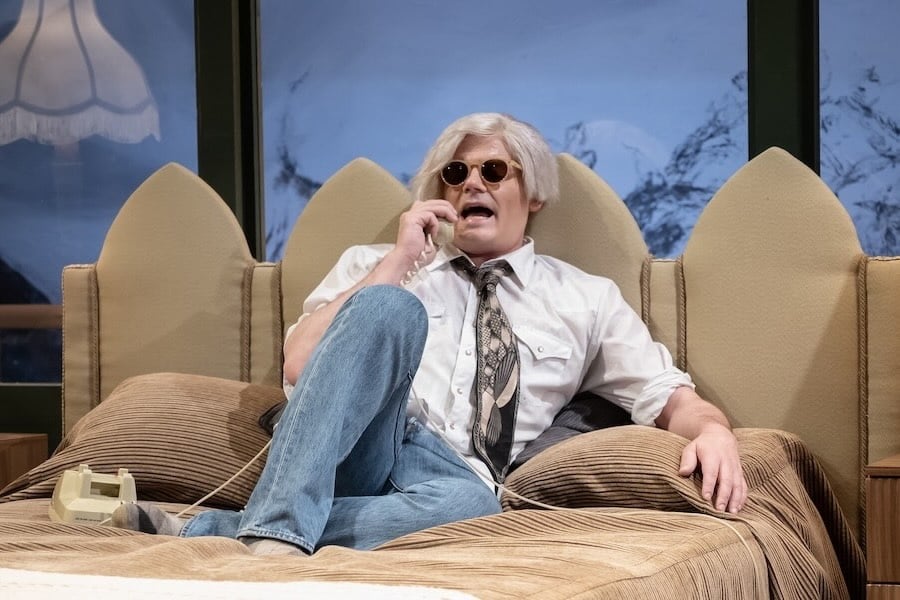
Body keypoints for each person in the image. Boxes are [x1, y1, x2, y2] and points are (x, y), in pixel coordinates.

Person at [112, 112, 746, 555]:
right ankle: (276, 532)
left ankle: (231, 534)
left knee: (473, 507)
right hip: (362, 445)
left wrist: (714, 431)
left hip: (450, 479)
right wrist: (397, 265)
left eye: (493, 170)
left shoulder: (586, 299)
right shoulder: (375, 265)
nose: (471, 183)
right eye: (456, 172)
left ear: (534, 195)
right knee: (393, 310)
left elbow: (668, 396)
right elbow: (300, 367)